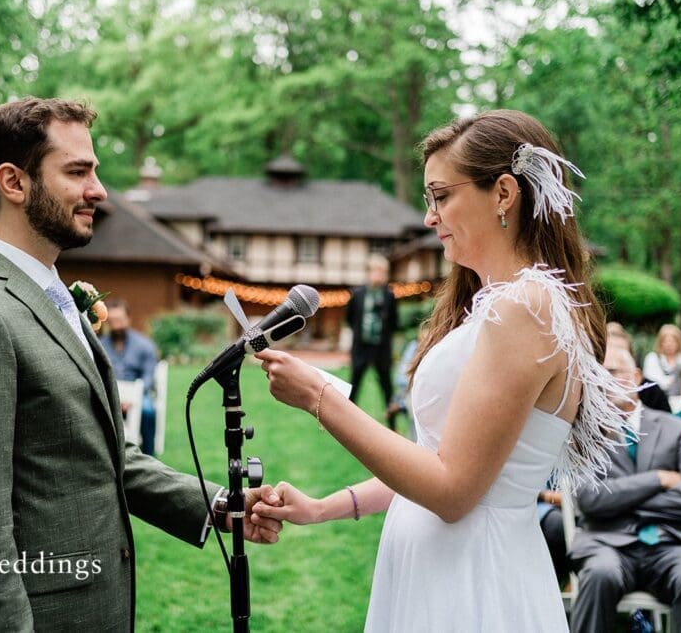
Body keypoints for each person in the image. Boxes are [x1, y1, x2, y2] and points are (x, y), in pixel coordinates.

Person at [0, 97, 282, 631]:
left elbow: (97, 453)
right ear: (13, 183)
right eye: (77, 171)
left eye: (94, 171)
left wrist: (217, 504)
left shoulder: (52, 294)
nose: (99, 191)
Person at [253, 109, 634, 631]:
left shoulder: (526, 308)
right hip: (444, 566)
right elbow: (439, 456)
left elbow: (453, 491)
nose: (429, 216)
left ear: (503, 193)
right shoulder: (501, 304)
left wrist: (321, 397)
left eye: (441, 195)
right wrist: (324, 508)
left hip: (473, 580)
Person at [569, 345, 681, 632]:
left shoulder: (674, 429)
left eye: (612, 371)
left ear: (636, 376)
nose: (603, 378)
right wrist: (659, 480)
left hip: (671, 542)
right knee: (599, 574)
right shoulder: (585, 433)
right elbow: (590, 500)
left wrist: (620, 497)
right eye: (595, 373)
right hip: (607, 543)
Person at [100, 298, 160, 456]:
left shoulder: (144, 345)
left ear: (128, 318)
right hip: (109, 396)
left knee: (148, 411)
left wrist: (131, 398)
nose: (116, 325)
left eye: (119, 320)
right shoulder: (99, 345)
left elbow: (148, 377)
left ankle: (149, 456)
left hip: (138, 395)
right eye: (112, 321)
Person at [345, 254, 399, 428]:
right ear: (369, 273)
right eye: (376, 271)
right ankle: (345, 421)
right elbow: (349, 318)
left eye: (383, 272)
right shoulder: (358, 294)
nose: (379, 276)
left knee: (386, 387)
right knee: (354, 385)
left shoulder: (389, 296)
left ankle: (392, 423)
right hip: (361, 347)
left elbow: (394, 322)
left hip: (381, 349)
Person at [607, 323, 672, 413]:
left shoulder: (651, 392)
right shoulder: (590, 389)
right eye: (608, 350)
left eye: (621, 350)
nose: (614, 356)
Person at [643, 324, 681, 397]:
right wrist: (669, 382)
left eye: (673, 341)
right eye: (666, 341)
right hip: (659, 397)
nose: (669, 344)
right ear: (660, 342)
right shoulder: (652, 358)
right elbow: (650, 380)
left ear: (679, 342)